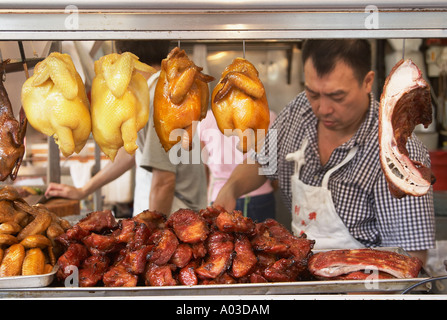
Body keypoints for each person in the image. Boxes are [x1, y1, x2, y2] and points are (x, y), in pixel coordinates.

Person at [213, 39, 435, 264]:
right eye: (314, 93)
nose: (323, 109)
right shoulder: (299, 110)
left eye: (337, 97)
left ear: (367, 82)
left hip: (363, 287)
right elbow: (263, 161)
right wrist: (231, 189)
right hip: (300, 272)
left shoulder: (399, 154)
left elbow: (411, 257)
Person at [45, 40, 207, 217]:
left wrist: (153, 234)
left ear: (125, 57)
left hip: (172, 220)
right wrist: (84, 190)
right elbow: (131, 154)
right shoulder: (155, 91)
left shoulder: (159, 97)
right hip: (168, 216)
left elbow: (164, 182)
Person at [198, 108, 277, 222]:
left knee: (221, 239)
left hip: (219, 197)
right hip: (259, 194)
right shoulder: (268, 116)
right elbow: (273, 166)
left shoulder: (206, 118)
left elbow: (203, 167)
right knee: (264, 237)